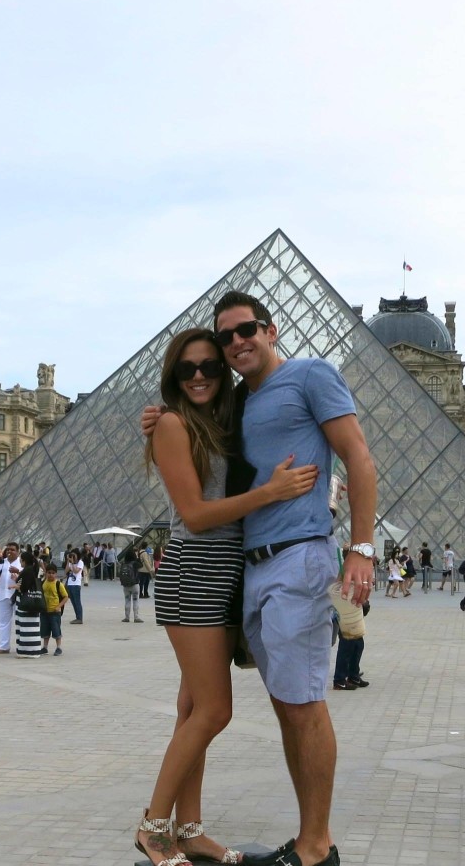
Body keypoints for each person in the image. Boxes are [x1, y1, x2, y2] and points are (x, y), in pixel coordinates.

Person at [143, 290, 375, 866]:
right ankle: (206, 831)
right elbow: (195, 492)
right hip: (236, 569)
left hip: (294, 558)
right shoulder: (231, 406)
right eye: (224, 340)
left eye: (245, 331)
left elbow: (359, 458)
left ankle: (313, 847)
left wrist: (361, 548)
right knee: (255, 706)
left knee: (290, 705)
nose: (233, 345)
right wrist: (162, 416)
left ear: (270, 330)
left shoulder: (310, 376)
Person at [137, 326, 320, 866]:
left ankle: (190, 831)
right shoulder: (172, 424)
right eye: (187, 368)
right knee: (214, 710)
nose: (199, 376)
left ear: (224, 373)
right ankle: (153, 827)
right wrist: (269, 493)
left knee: (193, 707)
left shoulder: (221, 424)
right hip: (194, 575)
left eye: (210, 367)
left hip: (221, 577)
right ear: (173, 375)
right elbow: (193, 516)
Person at [0, 543, 21, 654]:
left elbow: (29, 575)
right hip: (2, 595)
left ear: (18, 551)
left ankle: (22, 645)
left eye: (12, 550)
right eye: (8, 550)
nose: (9, 551)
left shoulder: (22, 563)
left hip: (17, 595)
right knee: (2, 622)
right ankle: (3, 646)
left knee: (20, 621)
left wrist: (18, 572)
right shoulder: (1, 563)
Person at [14, 554, 43, 658]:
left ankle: (26, 651)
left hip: (25, 602)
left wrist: (14, 584)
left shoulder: (27, 571)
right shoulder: (34, 569)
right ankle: (34, 649)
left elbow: (23, 587)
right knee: (32, 627)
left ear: (24, 561)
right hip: (33, 601)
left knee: (25, 627)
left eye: (21, 560)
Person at [40, 564, 68, 656]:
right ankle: (45, 647)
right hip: (44, 611)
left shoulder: (58, 584)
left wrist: (58, 606)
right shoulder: (43, 583)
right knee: (45, 630)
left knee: (56, 630)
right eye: (49, 573)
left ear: (56, 574)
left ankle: (58, 647)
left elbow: (65, 597)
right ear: (46, 573)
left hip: (55, 612)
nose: (51, 575)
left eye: (53, 573)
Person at [65, 549, 85, 624]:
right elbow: (66, 571)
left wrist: (73, 563)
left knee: (77, 602)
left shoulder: (80, 562)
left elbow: (76, 571)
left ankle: (80, 618)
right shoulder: (70, 562)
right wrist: (68, 561)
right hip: (70, 584)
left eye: (74, 555)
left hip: (76, 584)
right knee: (73, 602)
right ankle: (77, 617)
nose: (73, 556)